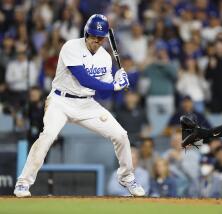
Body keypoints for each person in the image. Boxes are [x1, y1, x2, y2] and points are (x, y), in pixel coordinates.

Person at [13, 14, 145, 197]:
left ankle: (127, 177)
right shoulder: (71, 47)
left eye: (101, 37)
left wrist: (117, 82)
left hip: (87, 104)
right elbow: (83, 79)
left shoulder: (105, 58)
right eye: (94, 36)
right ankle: (23, 183)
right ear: (86, 34)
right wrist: (114, 85)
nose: (97, 40)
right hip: (61, 101)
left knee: (121, 135)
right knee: (48, 136)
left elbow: (103, 93)